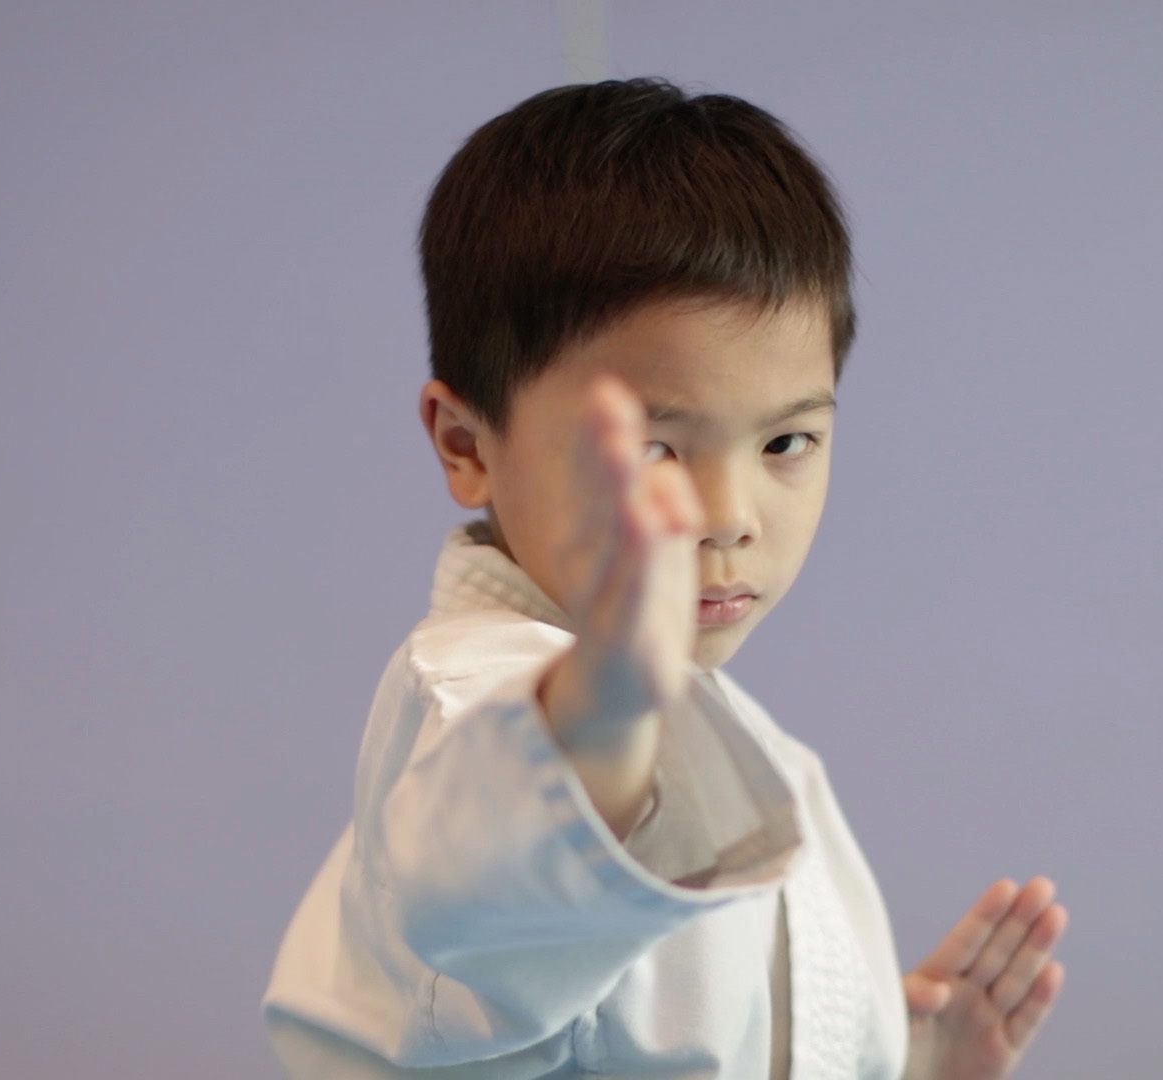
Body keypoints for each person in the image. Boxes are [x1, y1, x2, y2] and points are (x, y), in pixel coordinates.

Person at [261, 77, 1068, 1080]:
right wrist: (597, 727)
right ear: (467, 444)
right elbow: (491, 893)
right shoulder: (473, 703)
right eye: (654, 450)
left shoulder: (759, 750)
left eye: (787, 442)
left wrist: (897, 1058)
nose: (728, 514)